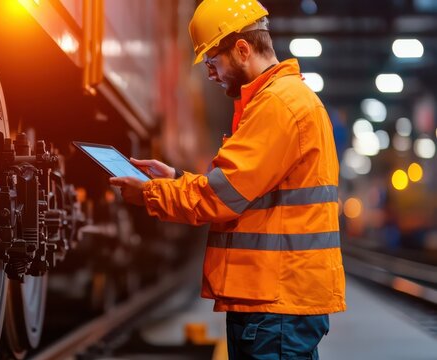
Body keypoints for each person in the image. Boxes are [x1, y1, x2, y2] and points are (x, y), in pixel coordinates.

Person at [109, 0, 346, 359]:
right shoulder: (281, 102)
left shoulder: (279, 107)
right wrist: (174, 177)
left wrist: (152, 194)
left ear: (241, 49)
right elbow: (243, 187)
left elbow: (219, 198)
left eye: (211, 60)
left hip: (275, 305)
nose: (209, 73)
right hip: (272, 299)